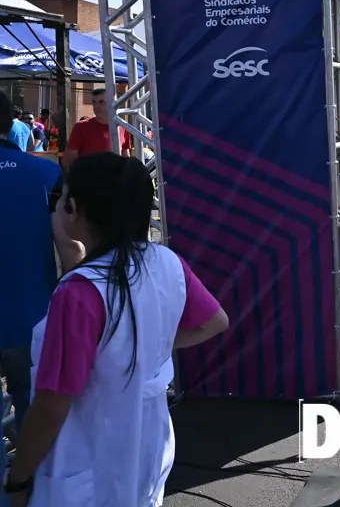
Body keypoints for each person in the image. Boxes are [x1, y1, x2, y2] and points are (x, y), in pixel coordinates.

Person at [2, 153, 228, 506]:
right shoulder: (167, 262)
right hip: (149, 447)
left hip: (88, 459)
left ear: (74, 209)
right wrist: (149, 344)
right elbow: (215, 322)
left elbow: (51, 407)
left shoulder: (77, 293)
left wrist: (19, 479)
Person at [0, 93, 63, 446]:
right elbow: (71, 247)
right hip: (32, 313)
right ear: (12, 124)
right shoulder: (47, 172)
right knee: (30, 406)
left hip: (30, 314)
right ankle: (27, 474)